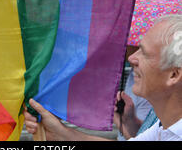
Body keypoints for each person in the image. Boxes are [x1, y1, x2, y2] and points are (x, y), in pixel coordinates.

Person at [24, 14, 182, 141]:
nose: (132, 58)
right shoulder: (164, 125)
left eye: (144, 53)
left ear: (174, 75)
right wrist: (61, 133)